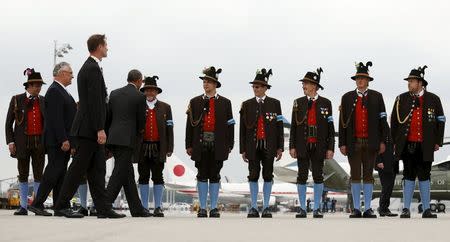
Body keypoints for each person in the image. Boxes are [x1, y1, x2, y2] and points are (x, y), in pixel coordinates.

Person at [54, 34, 124, 218]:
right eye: (106, 45)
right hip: (88, 129)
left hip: (90, 127)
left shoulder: (93, 67)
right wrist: (100, 128)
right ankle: (61, 205)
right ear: (99, 46)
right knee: (78, 169)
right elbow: (94, 102)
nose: (107, 48)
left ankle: (102, 208)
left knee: (97, 170)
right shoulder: (91, 68)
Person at [391, 66, 445, 218]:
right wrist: (394, 142)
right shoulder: (401, 99)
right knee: (408, 175)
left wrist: (438, 141)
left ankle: (427, 209)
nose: (409, 84)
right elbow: (394, 122)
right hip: (407, 144)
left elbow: (441, 120)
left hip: (426, 144)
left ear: (420, 83)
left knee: (424, 176)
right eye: (409, 81)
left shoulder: (433, 99)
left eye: (412, 81)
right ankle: (406, 209)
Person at [339, 61, 388, 218]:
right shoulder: (347, 98)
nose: (360, 81)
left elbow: (383, 121)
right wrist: (342, 143)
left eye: (362, 78)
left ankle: (367, 208)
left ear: (368, 80)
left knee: (368, 175)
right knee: (354, 175)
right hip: (353, 143)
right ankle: (356, 209)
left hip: (371, 141)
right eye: (357, 78)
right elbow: (342, 124)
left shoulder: (377, 96)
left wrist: (383, 141)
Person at [185, 66, 235, 218]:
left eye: (208, 82)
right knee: (201, 174)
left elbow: (230, 125)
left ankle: (213, 207)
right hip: (199, 144)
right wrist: (188, 144)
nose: (205, 84)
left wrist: (230, 144)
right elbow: (189, 125)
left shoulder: (226, 103)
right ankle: (201, 207)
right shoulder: (194, 102)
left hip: (218, 144)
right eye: (204, 81)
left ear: (215, 84)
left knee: (215, 175)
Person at [28, 62, 77, 216]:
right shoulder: (55, 91)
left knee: (60, 174)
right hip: (57, 141)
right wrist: (64, 139)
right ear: (62, 73)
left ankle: (59, 205)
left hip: (61, 140)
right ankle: (37, 203)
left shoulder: (62, 91)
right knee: (53, 172)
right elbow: (56, 119)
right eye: (70, 73)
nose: (72, 76)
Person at [289, 68, 334, 218]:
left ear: (314, 86)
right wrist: (292, 146)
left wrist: (330, 147)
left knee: (318, 176)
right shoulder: (298, 103)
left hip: (319, 145)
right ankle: (302, 208)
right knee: (301, 176)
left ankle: (317, 208)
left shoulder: (326, 103)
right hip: (302, 144)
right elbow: (294, 126)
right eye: (303, 84)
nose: (303, 86)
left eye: (306, 84)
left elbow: (330, 128)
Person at [240, 68, 284, 218]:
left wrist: (280, 147)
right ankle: (253, 207)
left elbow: (279, 127)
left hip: (269, 145)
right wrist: (242, 149)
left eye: (257, 86)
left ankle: (266, 207)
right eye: (253, 86)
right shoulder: (246, 104)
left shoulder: (275, 104)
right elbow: (242, 129)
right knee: (253, 175)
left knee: (267, 175)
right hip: (252, 145)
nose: (255, 89)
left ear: (265, 88)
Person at [5, 68, 46, 215]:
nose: (39, 88)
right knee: (22, 173)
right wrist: (10, 142)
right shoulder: (16, 99)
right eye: (37, 85)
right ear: (29, 86)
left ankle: (37, 205)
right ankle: (23, 206)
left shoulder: (43, 100)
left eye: (40, 85)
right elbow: (8, 123)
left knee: (39, 174)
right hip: (22, 142)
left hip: (39, 142)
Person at [137, 75, 174, 217]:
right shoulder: (139, 106)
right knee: (143, 176)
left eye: (152, 90)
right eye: (147, 90)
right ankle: (144, 207)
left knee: (158, 176)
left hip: (159, 147)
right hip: (142, 147)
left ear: (156, 92)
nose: (150, 93)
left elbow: (169, 129)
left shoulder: (166, 107)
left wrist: (169, 147)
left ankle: (158, 207)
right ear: (144, 91)